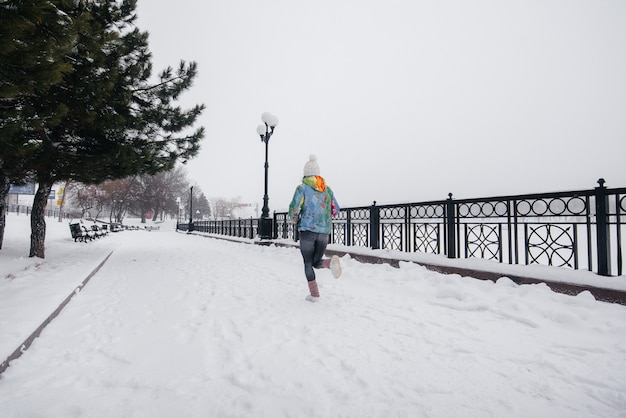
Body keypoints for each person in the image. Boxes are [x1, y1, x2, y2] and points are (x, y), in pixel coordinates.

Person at [288, 154, 342, 302]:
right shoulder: (327, 190)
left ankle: (315, 294)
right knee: (316, 262)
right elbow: (336, 209)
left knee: (307, 263)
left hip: (307, 230)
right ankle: (330, 263)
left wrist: (294, 219)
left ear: (305, 173)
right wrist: (324, 217)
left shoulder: (302, 188)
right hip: (324, 231)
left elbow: (294, 209)